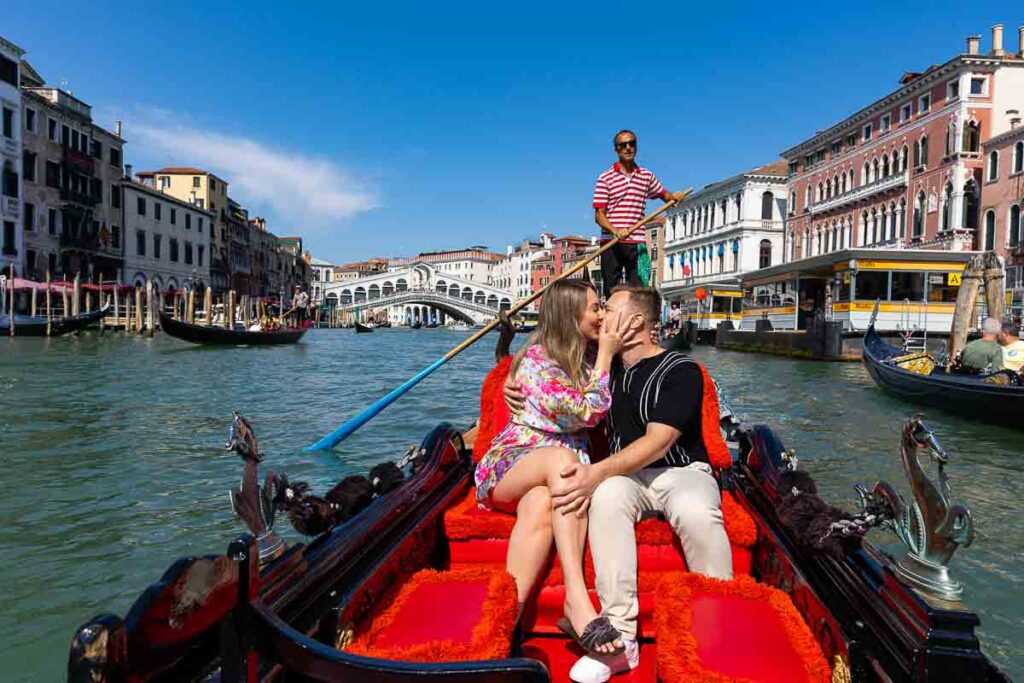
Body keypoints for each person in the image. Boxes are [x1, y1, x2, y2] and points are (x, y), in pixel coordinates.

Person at [506, 285, 733, 683]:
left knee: (695, 509)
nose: (600, 316)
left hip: (679, 471)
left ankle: (719, 623)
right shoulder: (600, 364)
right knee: (607, 498)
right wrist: (509, 375)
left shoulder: (681, 370)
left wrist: (595, 472)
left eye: (607, 308)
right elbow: (549, 349)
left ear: (635, 322)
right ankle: (621, 638)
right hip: (623, 477)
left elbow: (658, 440)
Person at [474, 279, 634, 657]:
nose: (601, 315)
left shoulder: (587, 355)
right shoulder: (536, 363)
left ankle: (504, 624)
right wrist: (607, 356)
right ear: (569, 314)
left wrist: (609, 350)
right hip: (510, 465)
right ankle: (576, 600)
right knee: (565, 465)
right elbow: (587, 412)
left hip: (549, 481)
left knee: (542, 503)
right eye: (595, 308)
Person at [593, 130, 686, 299]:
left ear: (636, 146)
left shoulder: (646, 176)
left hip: (636, 240)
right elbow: (599, 215)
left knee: (639, 289)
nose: (628, 148)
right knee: (611, 290)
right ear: (616, 150)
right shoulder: (605, 178)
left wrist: (673, 197)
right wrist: (615, 230)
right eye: (623, 145)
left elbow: (663, 194)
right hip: (611, 242)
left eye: (632, 143)